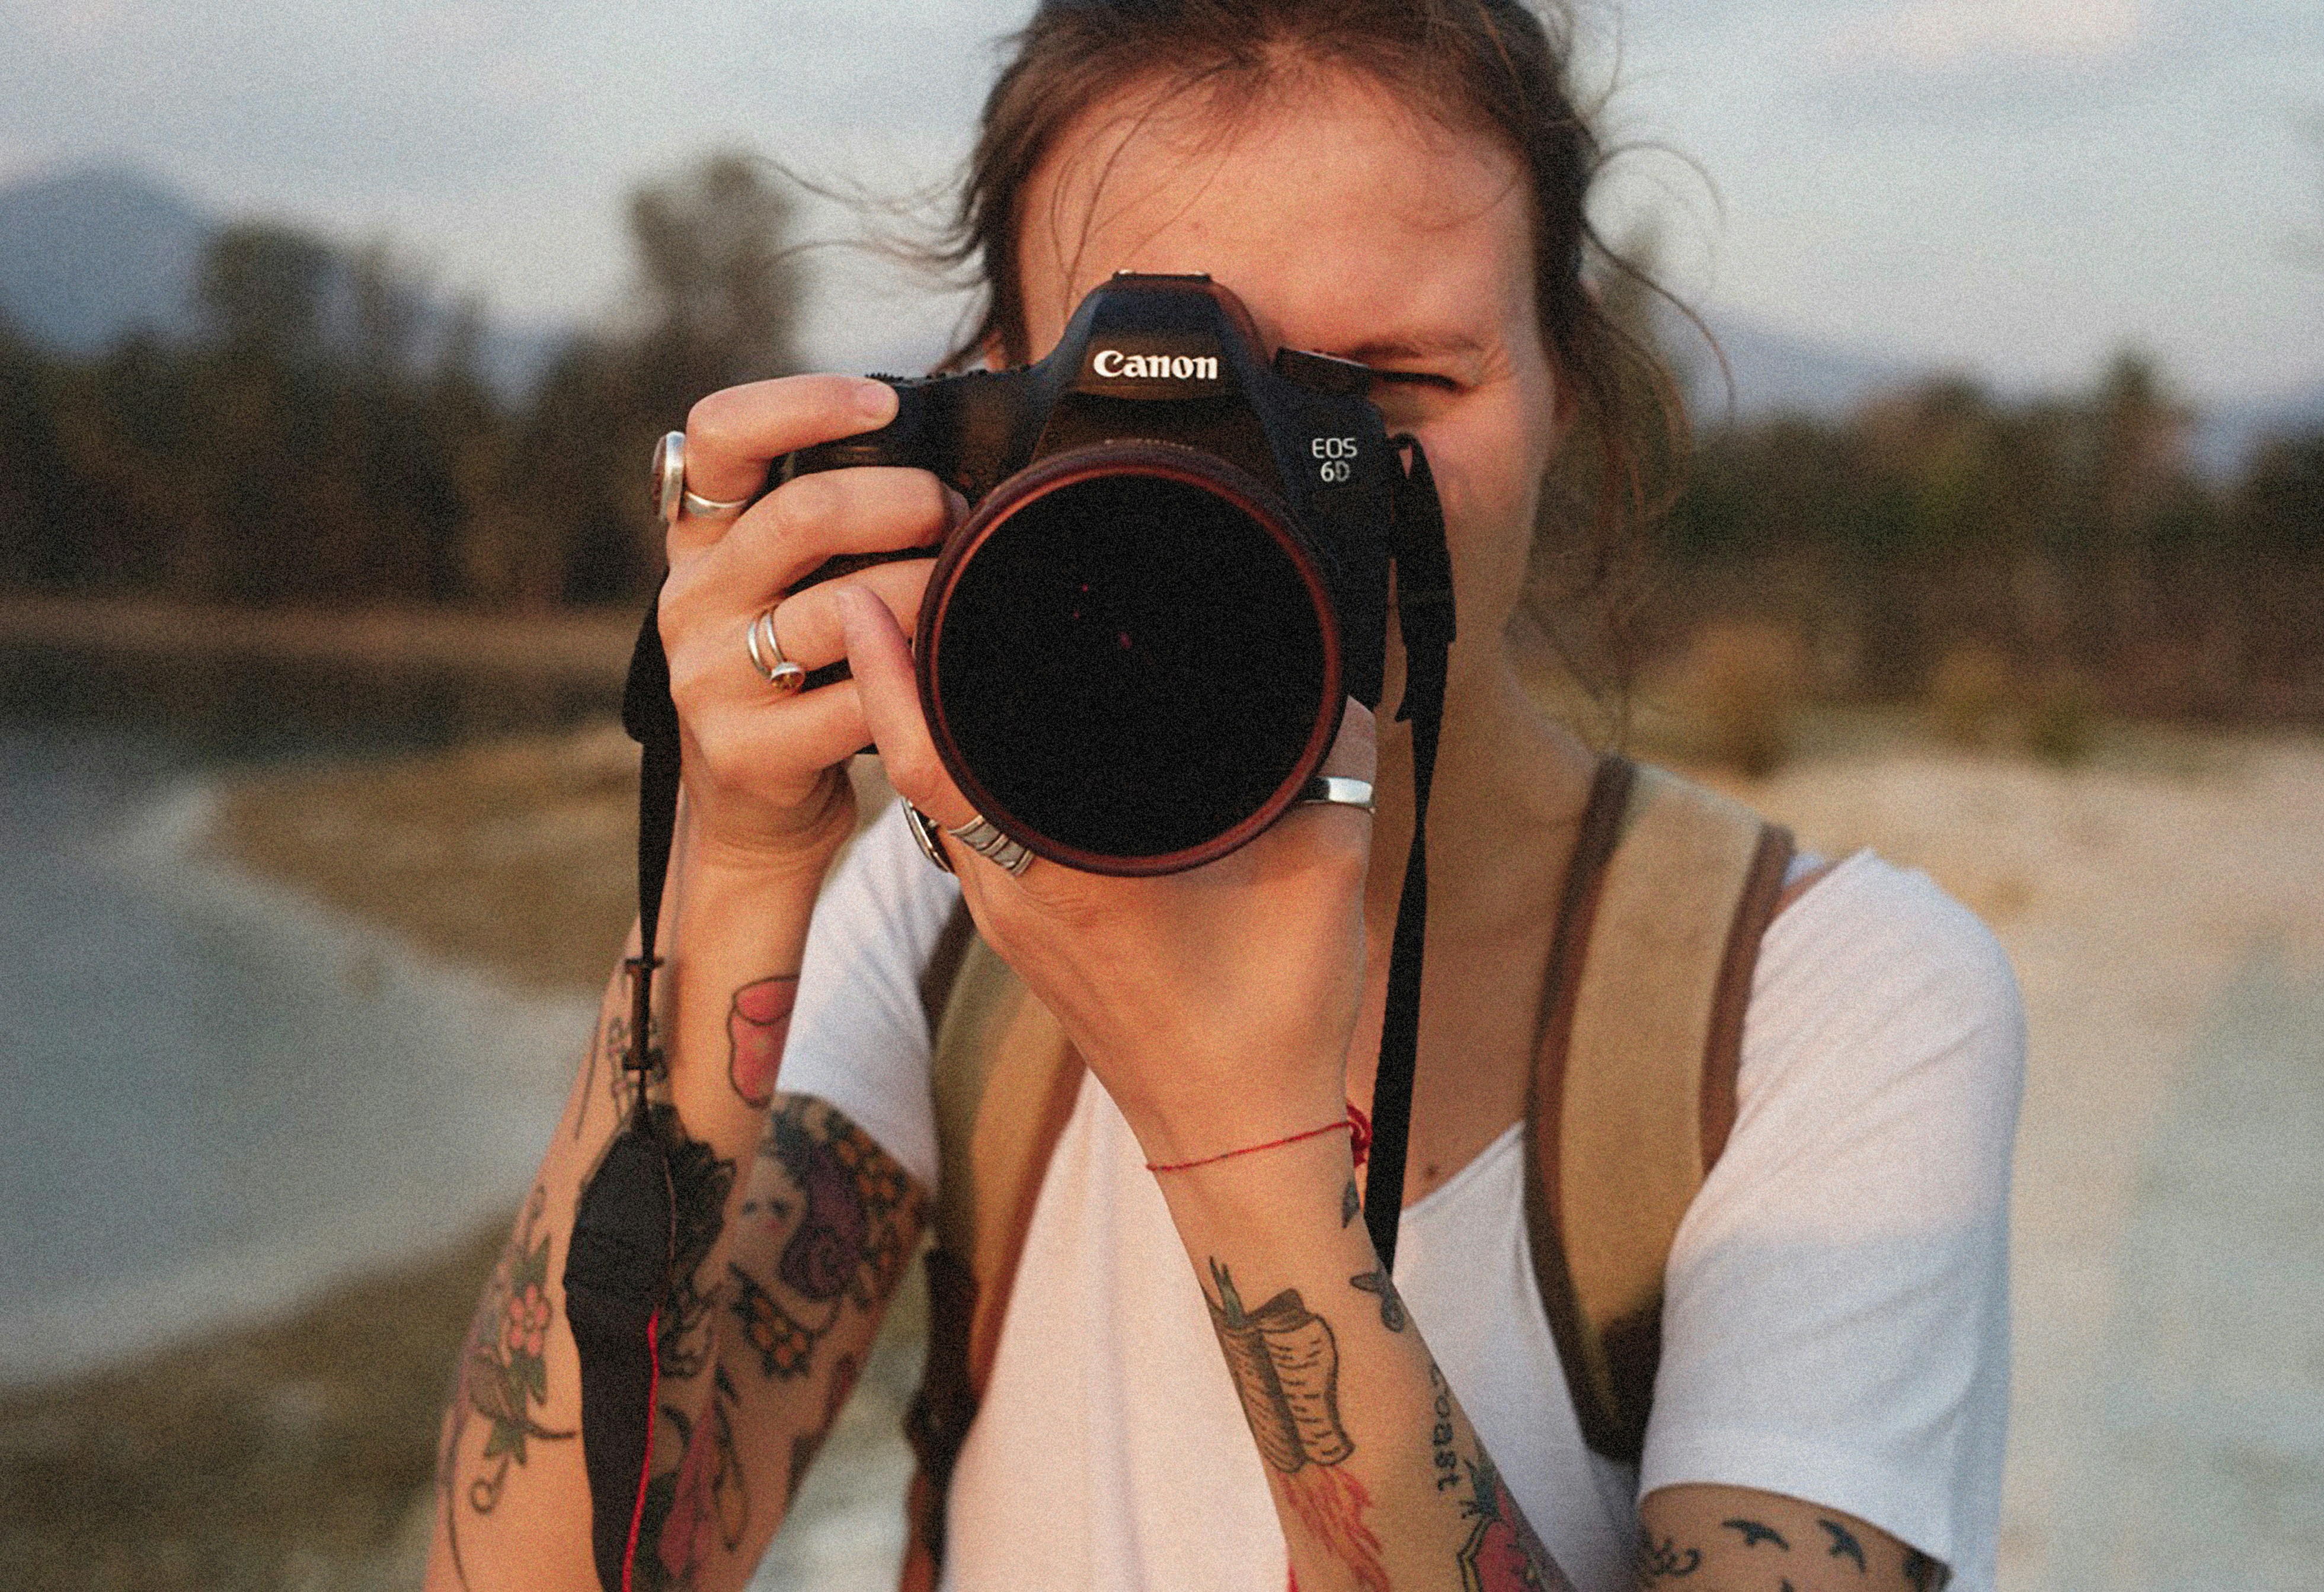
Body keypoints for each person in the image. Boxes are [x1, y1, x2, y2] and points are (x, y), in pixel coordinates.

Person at [425, 2, 2024, 1589]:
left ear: (1567, 391)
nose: (1247, 484)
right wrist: (735, 865)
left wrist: (1238, 1139)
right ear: (988, 421)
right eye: (1160, 411)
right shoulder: (942, 907)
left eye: (1381, 393)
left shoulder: (1825, 1006)